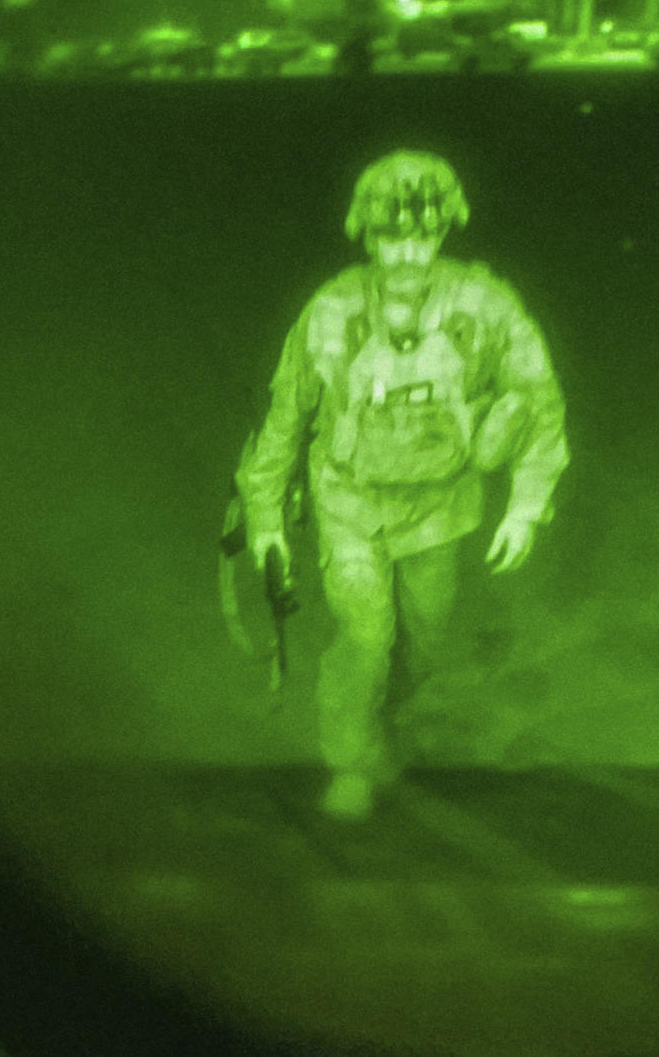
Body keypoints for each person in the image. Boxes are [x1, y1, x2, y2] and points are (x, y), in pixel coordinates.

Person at [236, 150, 569, 820]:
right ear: (366, 233)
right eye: (392, 236)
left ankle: (378, 718)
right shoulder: (330, 311)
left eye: (424, 234)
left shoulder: (486, 306)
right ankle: (350, 761)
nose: (409, 251)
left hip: (441, 508)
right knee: (365, 637)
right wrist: (265, 518)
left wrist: (526, 506)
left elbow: (537, 400)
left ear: (446, 230)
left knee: (420, 643)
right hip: (349, 503)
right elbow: (286, 415)